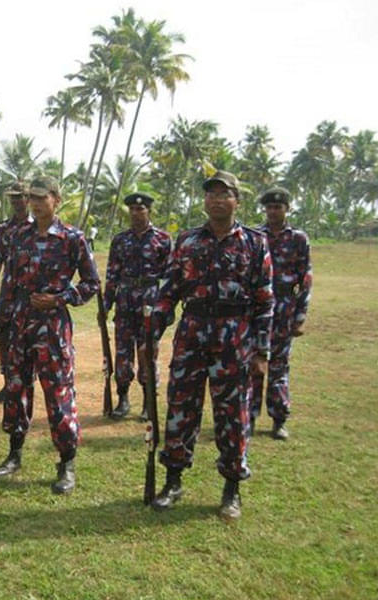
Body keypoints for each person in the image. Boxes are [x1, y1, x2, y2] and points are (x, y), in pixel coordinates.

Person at [150, 171, 274, 520]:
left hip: (234, 338)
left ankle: (231, 487)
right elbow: (169, 291)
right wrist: (153, 332)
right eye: (211, 194)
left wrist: (262, 351)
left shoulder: (254, 243)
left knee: (232, 415)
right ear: (204, 201)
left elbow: (265, 301)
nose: (217, 200)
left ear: (237, 200)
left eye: (225, 194)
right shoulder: (187, 241)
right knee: (180, 408)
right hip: (192, 332)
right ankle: (173, 480)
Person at [0, 176, 99, 494]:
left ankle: (66, 463)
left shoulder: (71, 238)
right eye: (32, 198)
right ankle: (14, 452)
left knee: (59, 393)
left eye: (42, 197)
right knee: (16, 387)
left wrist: (60, 298)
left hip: (52, 326)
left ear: (56, 200)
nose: (36, 203)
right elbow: (9, 283)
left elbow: (92, 283)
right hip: (20, 322)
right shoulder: (18, 236)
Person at [249, 187, 312, 440]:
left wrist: (300, 316)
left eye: (278, 207)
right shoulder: (255, 236)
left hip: (284, 307)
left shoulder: (298, 238)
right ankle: (249, 417)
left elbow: (305, 278)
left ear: (287, 208)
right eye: (269, 207)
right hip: (256, 310)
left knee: (279, 365)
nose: (273, 211)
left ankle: (278, 419)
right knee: (253, 363)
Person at [103, 192, 172, 421]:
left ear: (149, 211)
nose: (136, 213)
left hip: (150, 301)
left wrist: (166, 308)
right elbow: (112, 273)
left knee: (147, 352)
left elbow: (170, 277)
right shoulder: (120, 240)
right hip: (125, 300)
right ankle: (122, 399)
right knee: (123, 352)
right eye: (132, 209)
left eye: (140, 209)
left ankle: (147, 401)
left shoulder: (163, 239)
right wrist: (106, 303)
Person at [0, 181, 34, 410]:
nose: (17, 202)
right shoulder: (4, 229)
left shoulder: (37, 227)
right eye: (13, 198)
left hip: (31, 295)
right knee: (4, 337)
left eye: (20, 197)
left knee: (29, 339)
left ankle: (25, 382)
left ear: (29, 198)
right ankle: (8, 382)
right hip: (9, 294)